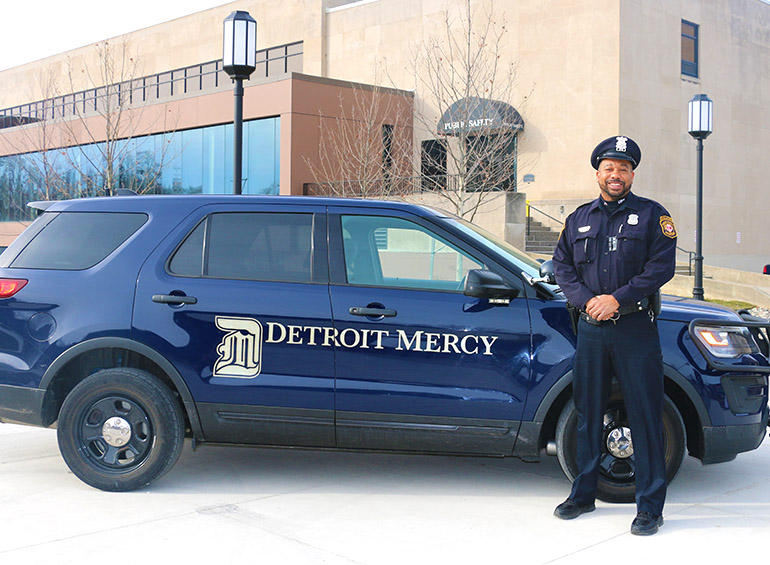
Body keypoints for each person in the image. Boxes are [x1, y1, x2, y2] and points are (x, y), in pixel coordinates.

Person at [551, 135, 677, 536]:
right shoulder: (579, 218)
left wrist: (616, 301)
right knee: (588, 413)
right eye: (609, 167)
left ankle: (650, 507)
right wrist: (588, 301)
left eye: (623, 168)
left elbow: (660, 268)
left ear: (632, 174)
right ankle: (583, 495)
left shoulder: (653, 216)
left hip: (635, 329)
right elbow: (562, 266)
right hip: (591, 329)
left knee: (644, 415)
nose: (616, 174)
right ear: (598, 173)